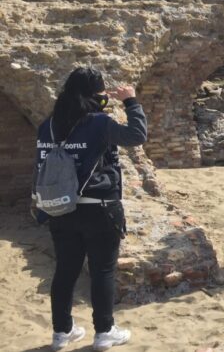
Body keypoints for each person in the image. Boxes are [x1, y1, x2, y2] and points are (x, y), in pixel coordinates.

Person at [34, 67, 147, 351]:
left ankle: (62, 333)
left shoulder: (47, 125)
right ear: (93, 95)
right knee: (102, 271)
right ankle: (104, 332)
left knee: (65, 271)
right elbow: (136, 135)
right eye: (101, 92)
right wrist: (131, 101)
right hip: (99, 208)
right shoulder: (97, 122)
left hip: (60, 209)